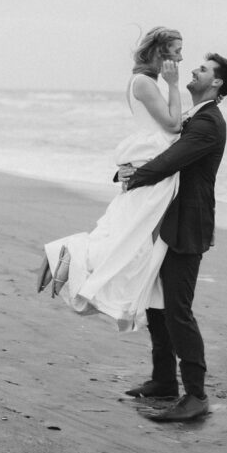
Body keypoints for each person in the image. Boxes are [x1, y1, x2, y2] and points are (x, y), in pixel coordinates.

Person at [117, 51, 227, 423]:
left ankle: (196, 395)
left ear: (216, 82)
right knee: (157, 304)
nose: (194, 70)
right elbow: (161, 148)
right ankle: (164, 380)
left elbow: (173, 159)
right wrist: (128, 170)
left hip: (188, 225)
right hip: (167, 220)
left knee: (178, 310)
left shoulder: (208, 123)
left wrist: (135, 178)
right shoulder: (192, 115)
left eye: (203, 69)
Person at [37, 26, 185, 332]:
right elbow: (172, 126)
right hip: (152, 160)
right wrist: (174, 85)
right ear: (160, 52)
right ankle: (70, 252)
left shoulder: (145, 81)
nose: (181, 58)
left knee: (132, 234)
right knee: (133, 236)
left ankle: (105, 284)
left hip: (151, 158)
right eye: (176, 51)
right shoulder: (144, 82)